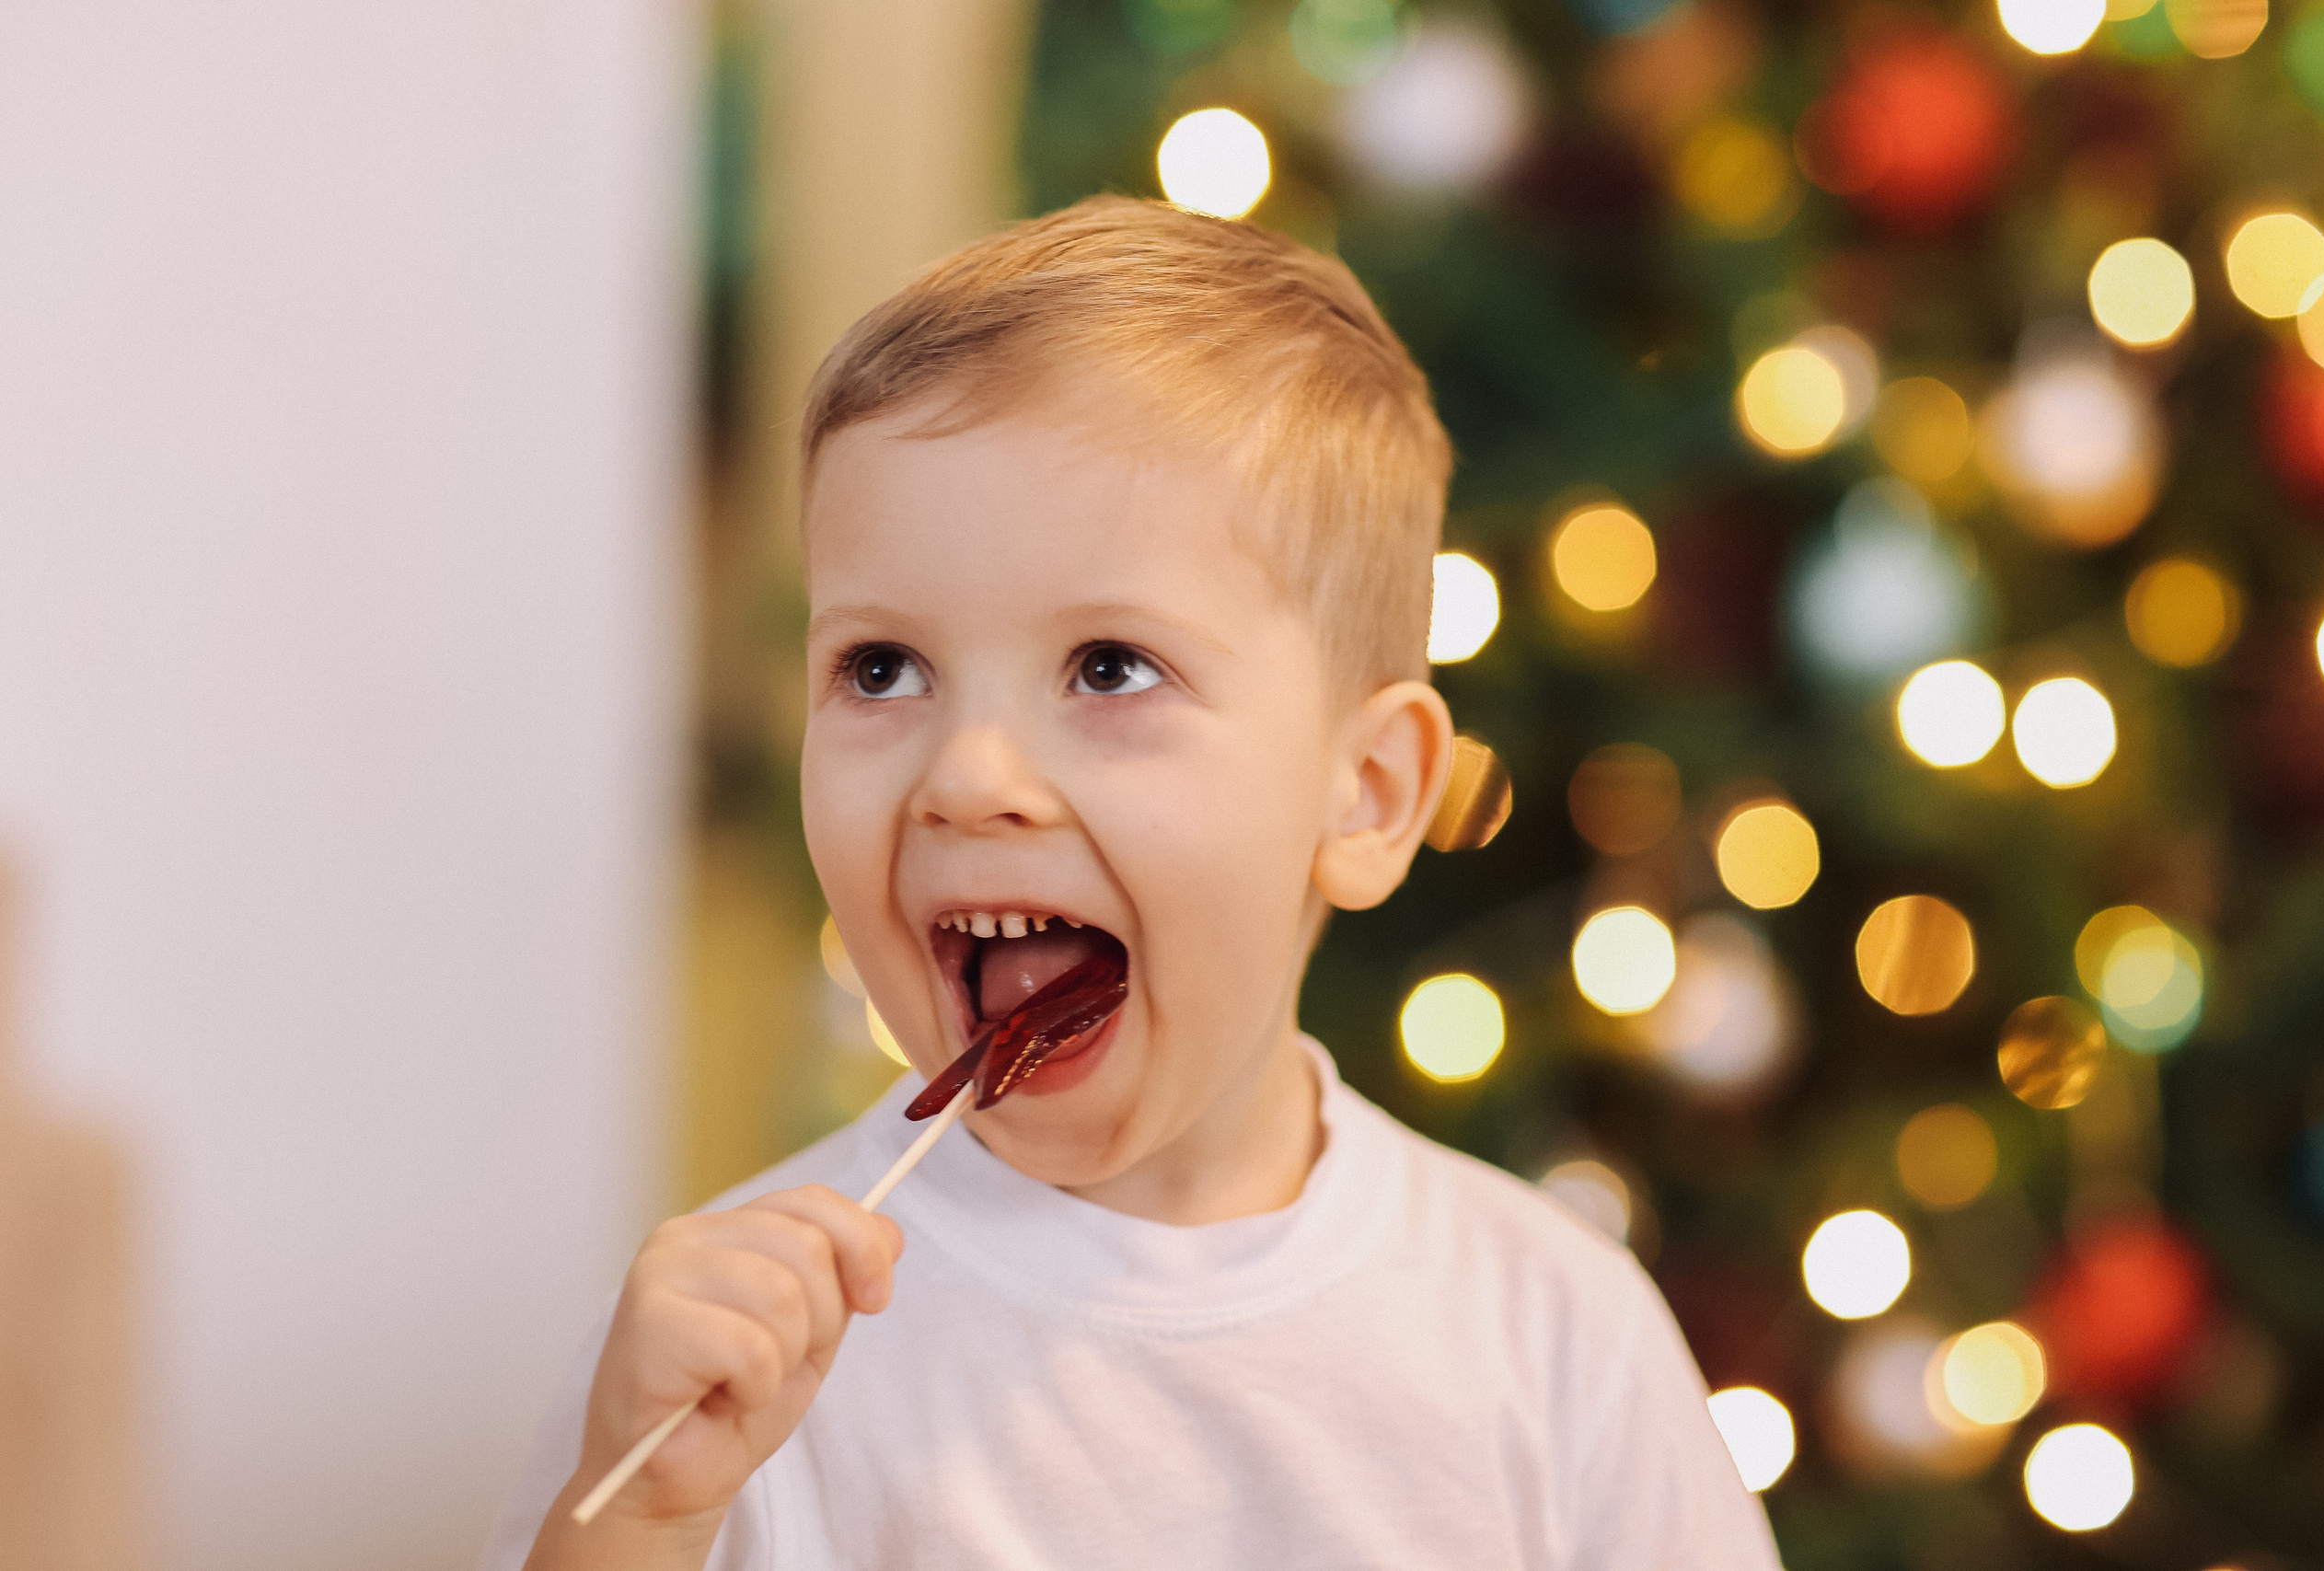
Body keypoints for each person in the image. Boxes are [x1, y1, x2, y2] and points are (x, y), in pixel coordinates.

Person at [484, 196, 1781, 1571]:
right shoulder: (723, 1373)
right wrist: (637, 1518)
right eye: (880, 669)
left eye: (1109, 667)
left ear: (1367, 793)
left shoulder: (1553, 1337)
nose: (967, 776)